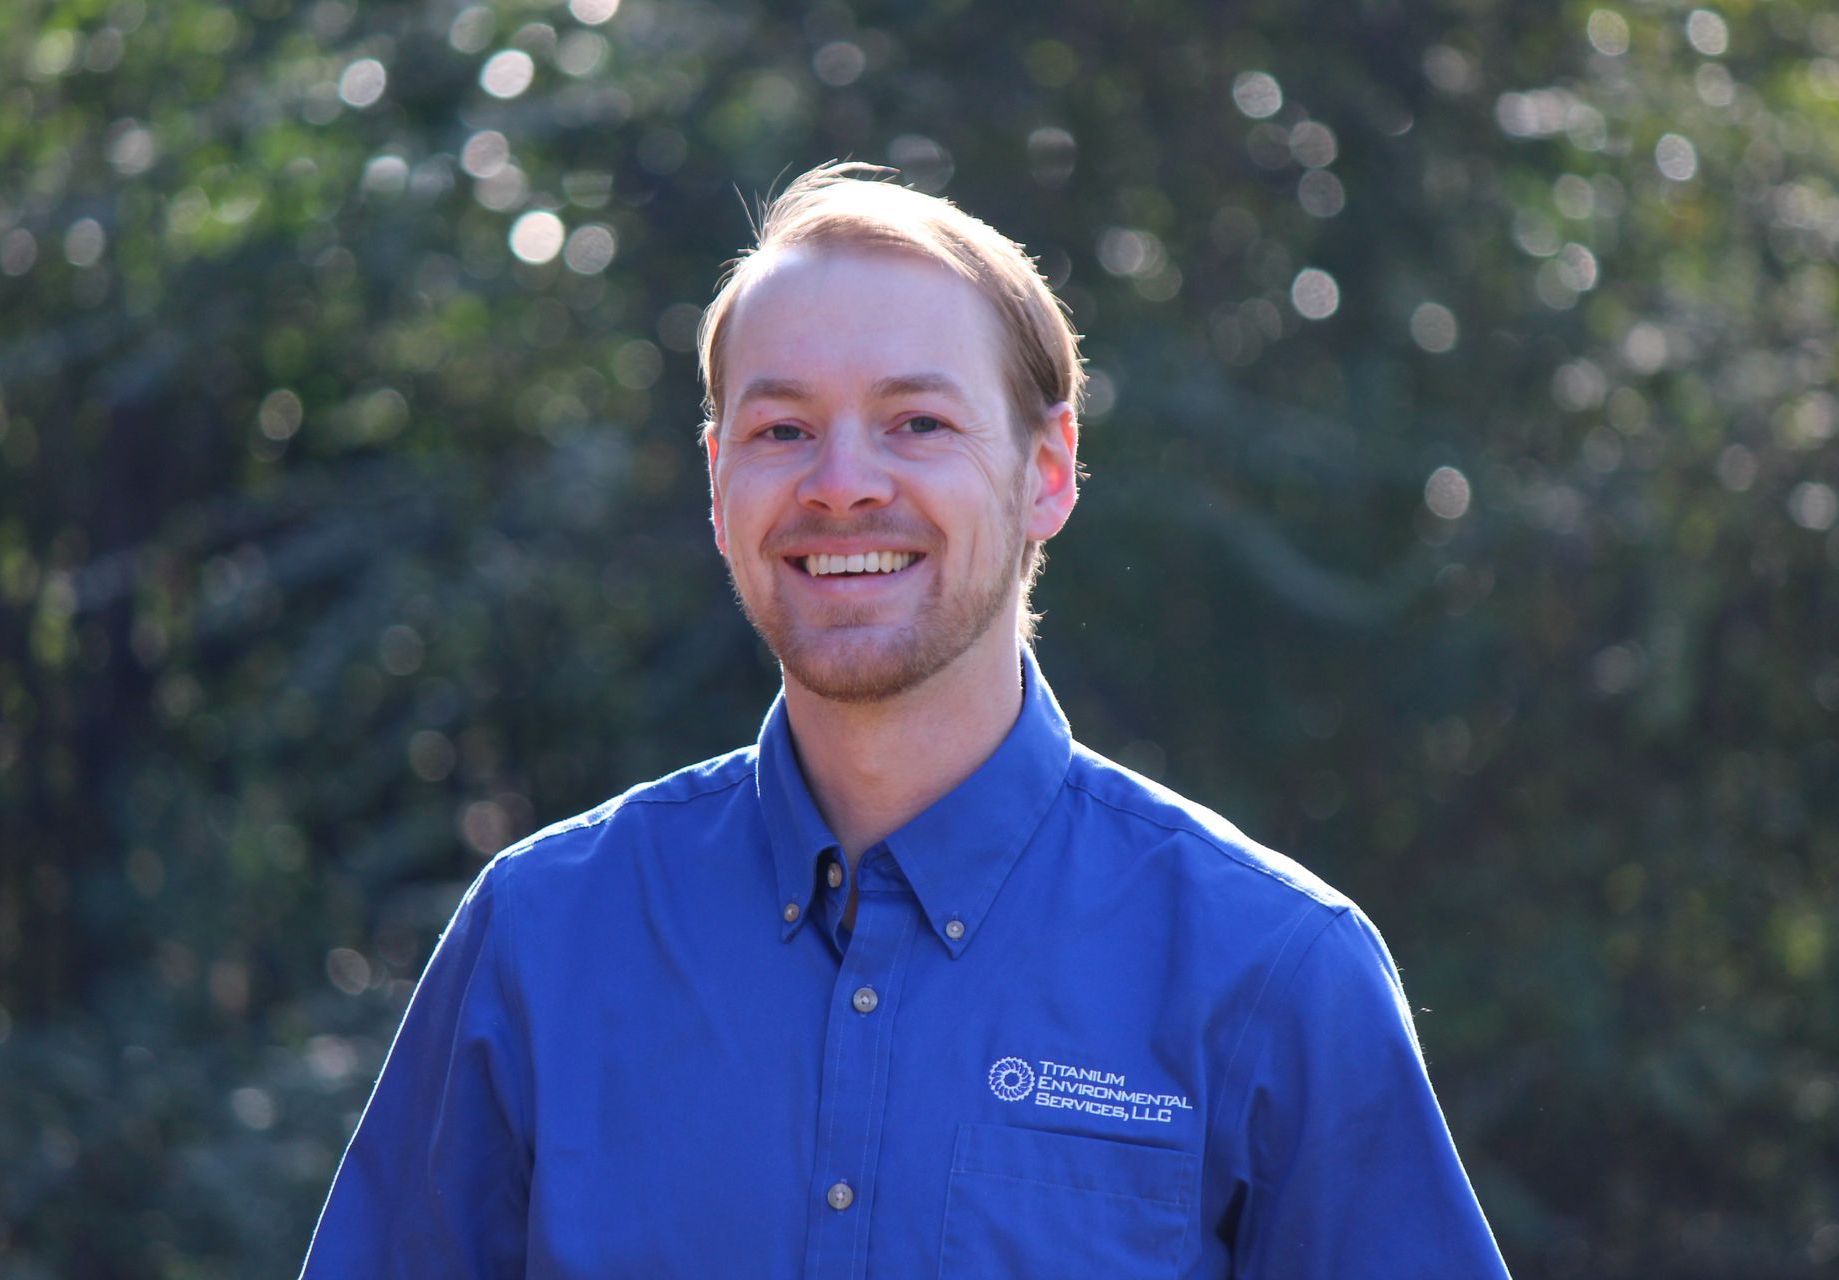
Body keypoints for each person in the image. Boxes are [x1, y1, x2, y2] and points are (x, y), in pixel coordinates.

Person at [301, 162, 1510, 1278]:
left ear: (1047, 472)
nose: (842, 482)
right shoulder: (542, 935)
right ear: (719, 486)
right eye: (783, 430)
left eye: (916, 422)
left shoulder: (1273, 969)